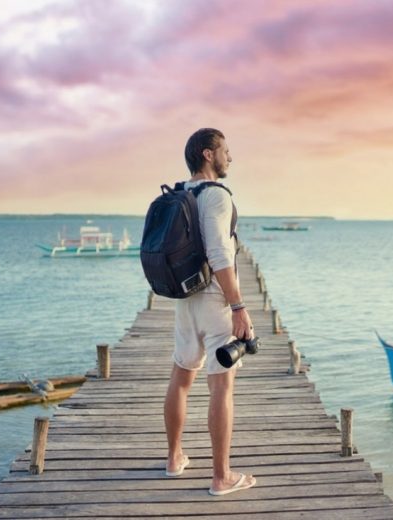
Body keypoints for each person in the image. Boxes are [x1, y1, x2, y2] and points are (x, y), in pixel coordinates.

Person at [163, 128, 257, 496]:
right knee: (222, 386)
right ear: (207, 154)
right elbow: (220, 253)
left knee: (181, 377)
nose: (230, 158)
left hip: (185, 298)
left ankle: (174, 459)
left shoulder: (182, 193)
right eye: (225, 151)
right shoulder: (216, 196)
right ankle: (221, 477)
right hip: (216, 300)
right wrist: (238, 306)